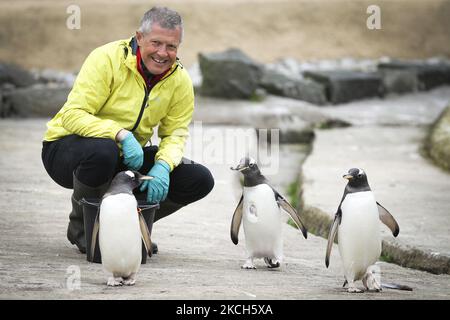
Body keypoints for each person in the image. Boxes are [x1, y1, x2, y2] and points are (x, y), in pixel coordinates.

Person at [41, 6, 214, 254]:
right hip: (67, 151)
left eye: (172, 46)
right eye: (156, 43)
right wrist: (120, 134)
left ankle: (129, 227)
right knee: (104, 151)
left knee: (198, 178)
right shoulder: (106, 59)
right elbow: (72, 115)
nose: (163, 53)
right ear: (139, 37)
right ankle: (84, 230)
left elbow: (175, 133)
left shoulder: (180, 80)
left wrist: (164, 165)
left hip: (123, 158)